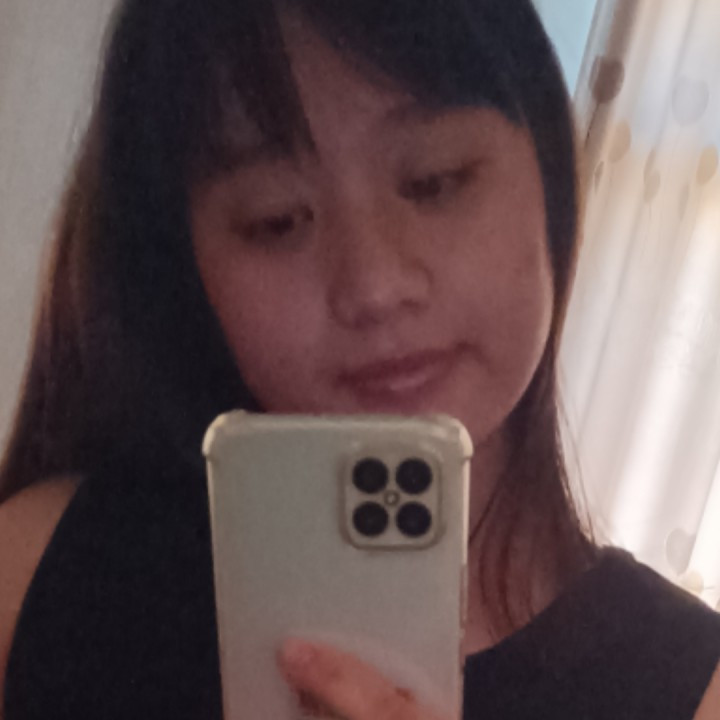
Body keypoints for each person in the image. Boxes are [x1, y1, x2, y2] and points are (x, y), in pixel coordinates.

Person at [0, 0, 719, 718]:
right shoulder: (37, 572)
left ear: (550, 182)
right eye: (277, 221)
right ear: (186, 267)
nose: (374, 287)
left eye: (435, 181)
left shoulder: (693, 687)